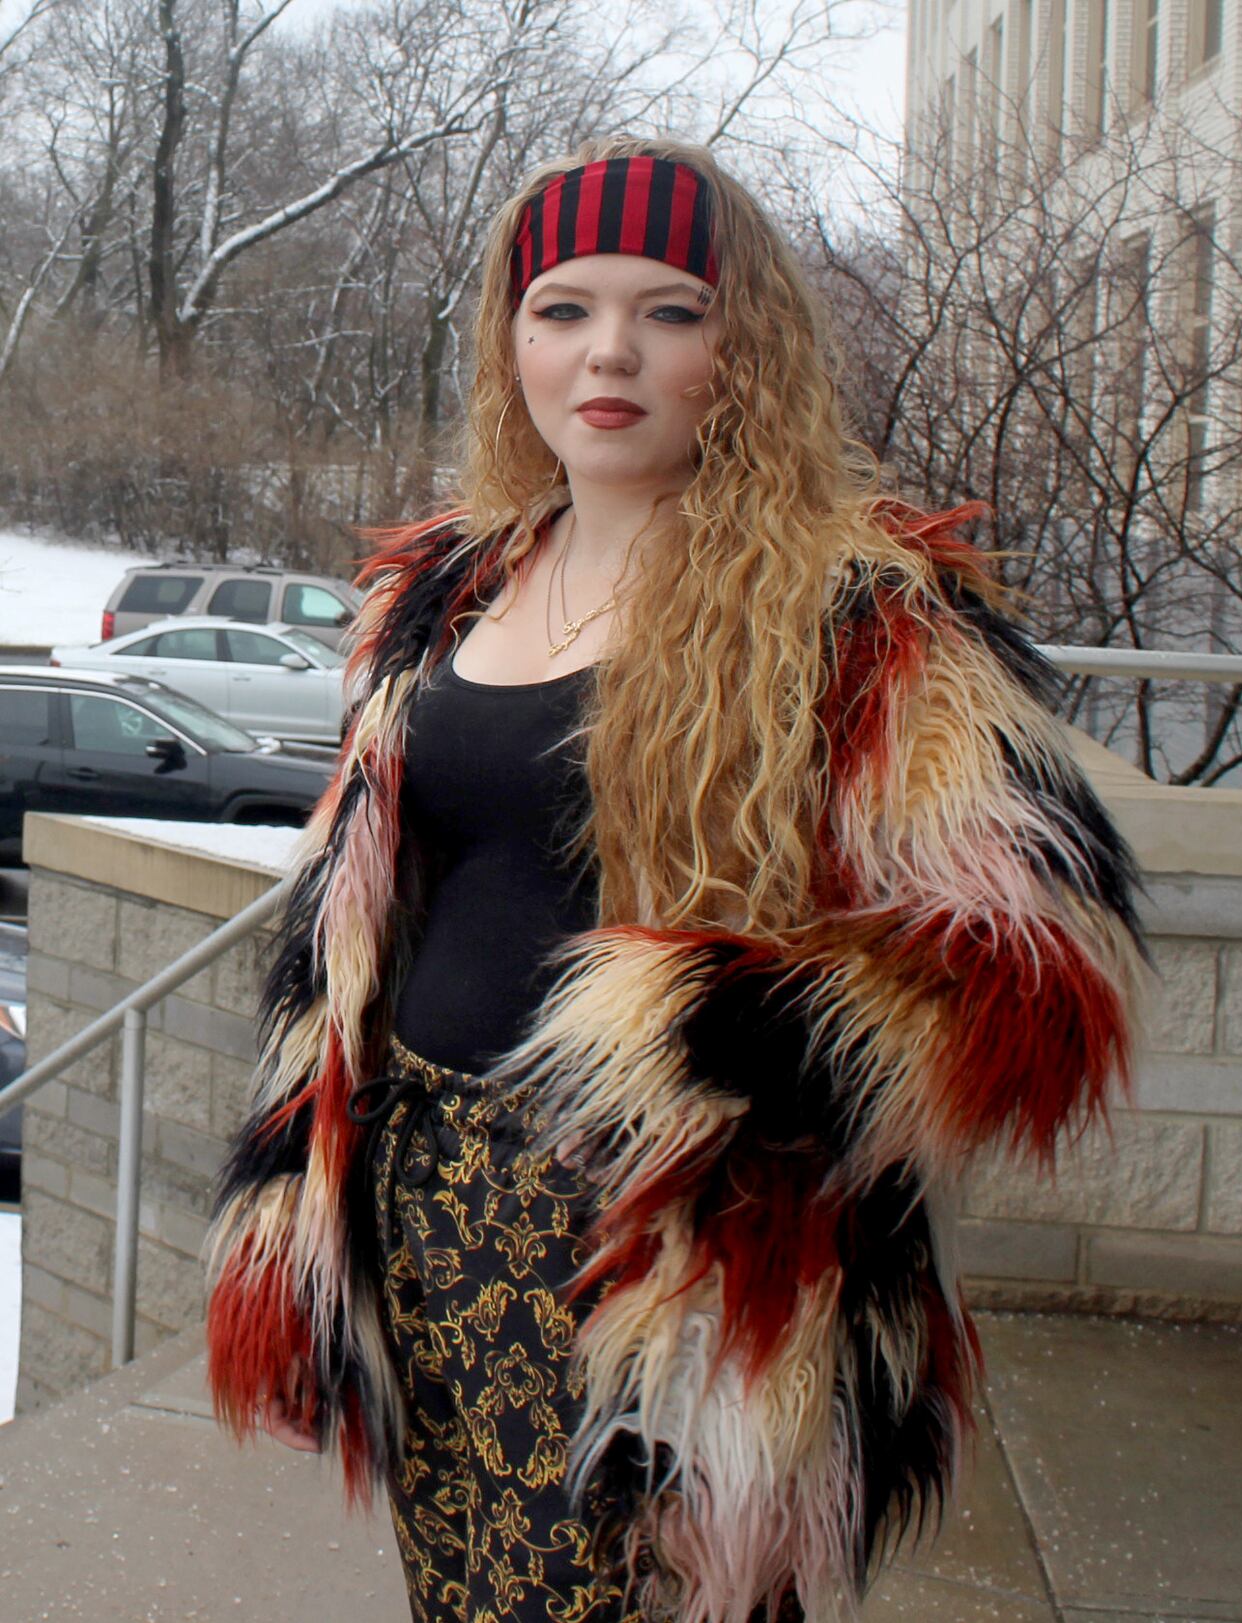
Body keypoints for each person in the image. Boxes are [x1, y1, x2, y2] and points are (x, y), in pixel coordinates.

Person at [201, 135, 1146, 1623]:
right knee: (464, 1591)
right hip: (427, 1202)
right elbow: (357, 916)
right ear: (510, 337)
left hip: (667, 1250)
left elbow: (1041, 968)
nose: (609, 353)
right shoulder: (447, 586)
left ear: (742, 344)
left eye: (672, 311)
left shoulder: (861, 612)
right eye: (561, 308)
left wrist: (700, 1044)